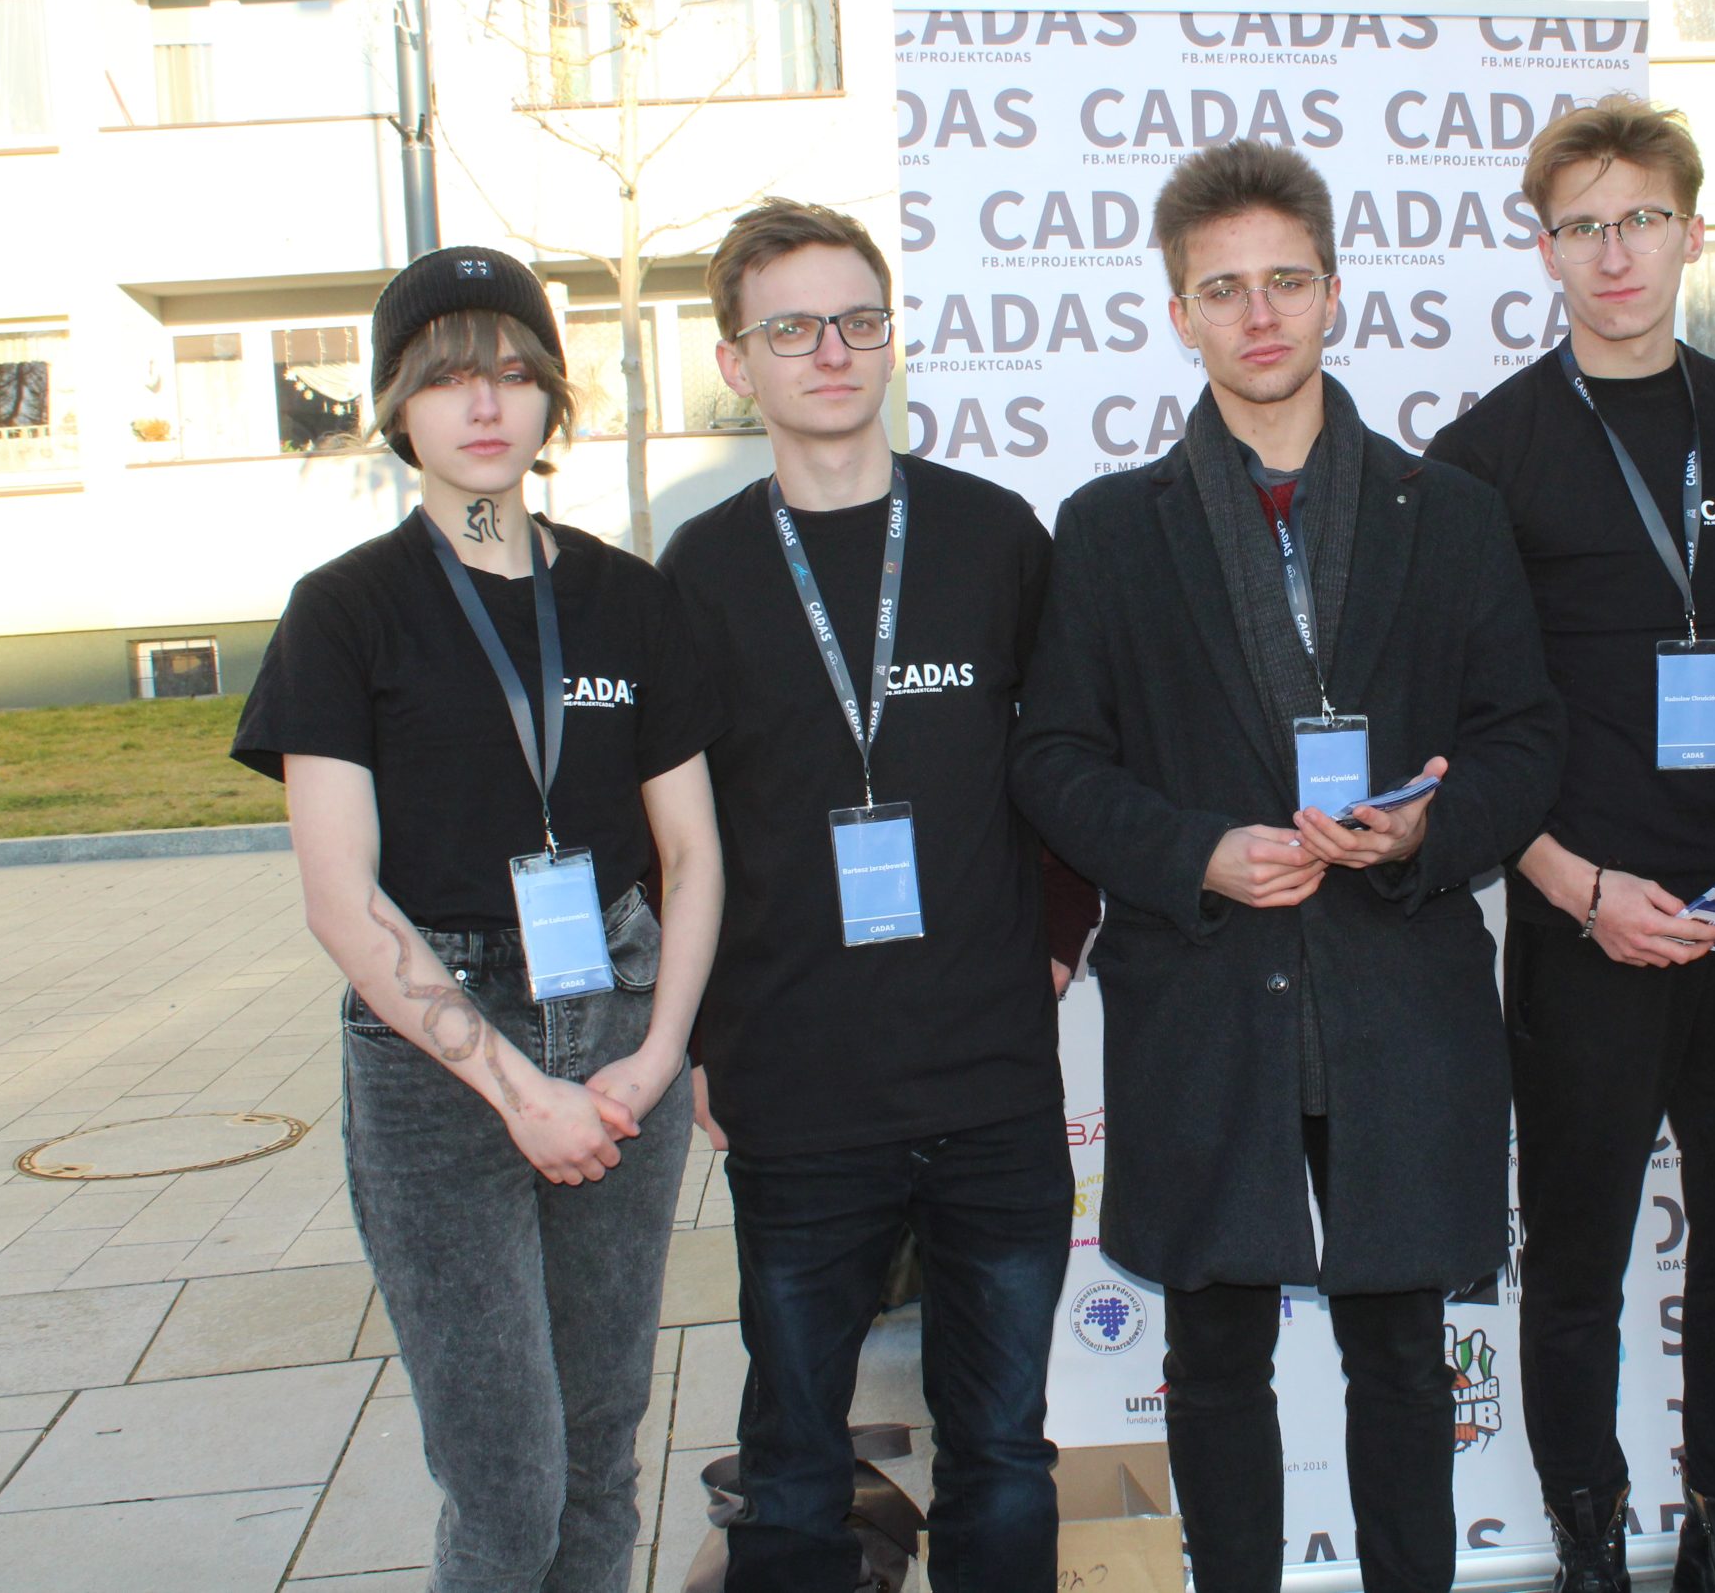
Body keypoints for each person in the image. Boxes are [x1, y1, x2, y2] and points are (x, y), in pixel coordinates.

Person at [1010, 139, 1566, 1593]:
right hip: (1206, 995)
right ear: (1178, 314)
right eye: (1223, 290)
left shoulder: (1450, 513)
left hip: (1401, 991)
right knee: (1213, 1356)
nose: (1258, 315)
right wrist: (1197, 852)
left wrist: (1429, 829)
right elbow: (1054, 761)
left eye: (1285, 282)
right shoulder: (1109, 531)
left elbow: (1524, 736)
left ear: (1333, 293)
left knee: (1404, 1354)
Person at [233, 245, 726, 1593]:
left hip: (620, 1027)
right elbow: (342, 898)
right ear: (399, 405)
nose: (488, 403)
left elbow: (692, 852)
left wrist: (661, 1054)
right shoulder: (346, 611)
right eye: (450, 376)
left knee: (603, 1460)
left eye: (514, 371)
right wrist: (518, 1092)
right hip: (440, 1056)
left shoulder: (629, 598)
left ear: (555, 394)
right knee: (507, 1484)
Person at [1430, 96, 1715, 1593]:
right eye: (1584, 226)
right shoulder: (1484, 454)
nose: (1616, 253)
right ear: (1543, 247)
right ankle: (1590, 1528)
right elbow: (1462, 716)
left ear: (1693, 232)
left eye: (1643, 220)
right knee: (1580, 1255)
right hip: (1587, 919)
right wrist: (1566, 884)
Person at [658, 197, 1093, 1593]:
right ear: (737, 363)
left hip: (989, 1079)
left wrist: (1058, 937)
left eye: (857, 320)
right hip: (799, 1084)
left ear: (891, 338)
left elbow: (1071, 754)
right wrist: (699, 1037)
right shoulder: (700, 571)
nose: (833, 351)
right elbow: (672, 834)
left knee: (1003, 1456)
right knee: (792, 1466)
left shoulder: (991, 536)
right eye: (792, 328)